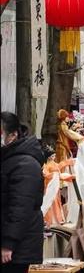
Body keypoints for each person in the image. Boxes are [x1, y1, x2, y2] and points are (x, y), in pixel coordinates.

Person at [1, 112, 45, 273]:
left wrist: (8, 243)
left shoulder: (25, 163)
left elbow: (20, 206)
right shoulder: (9, 158)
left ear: (13, 135)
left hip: (17, 248)